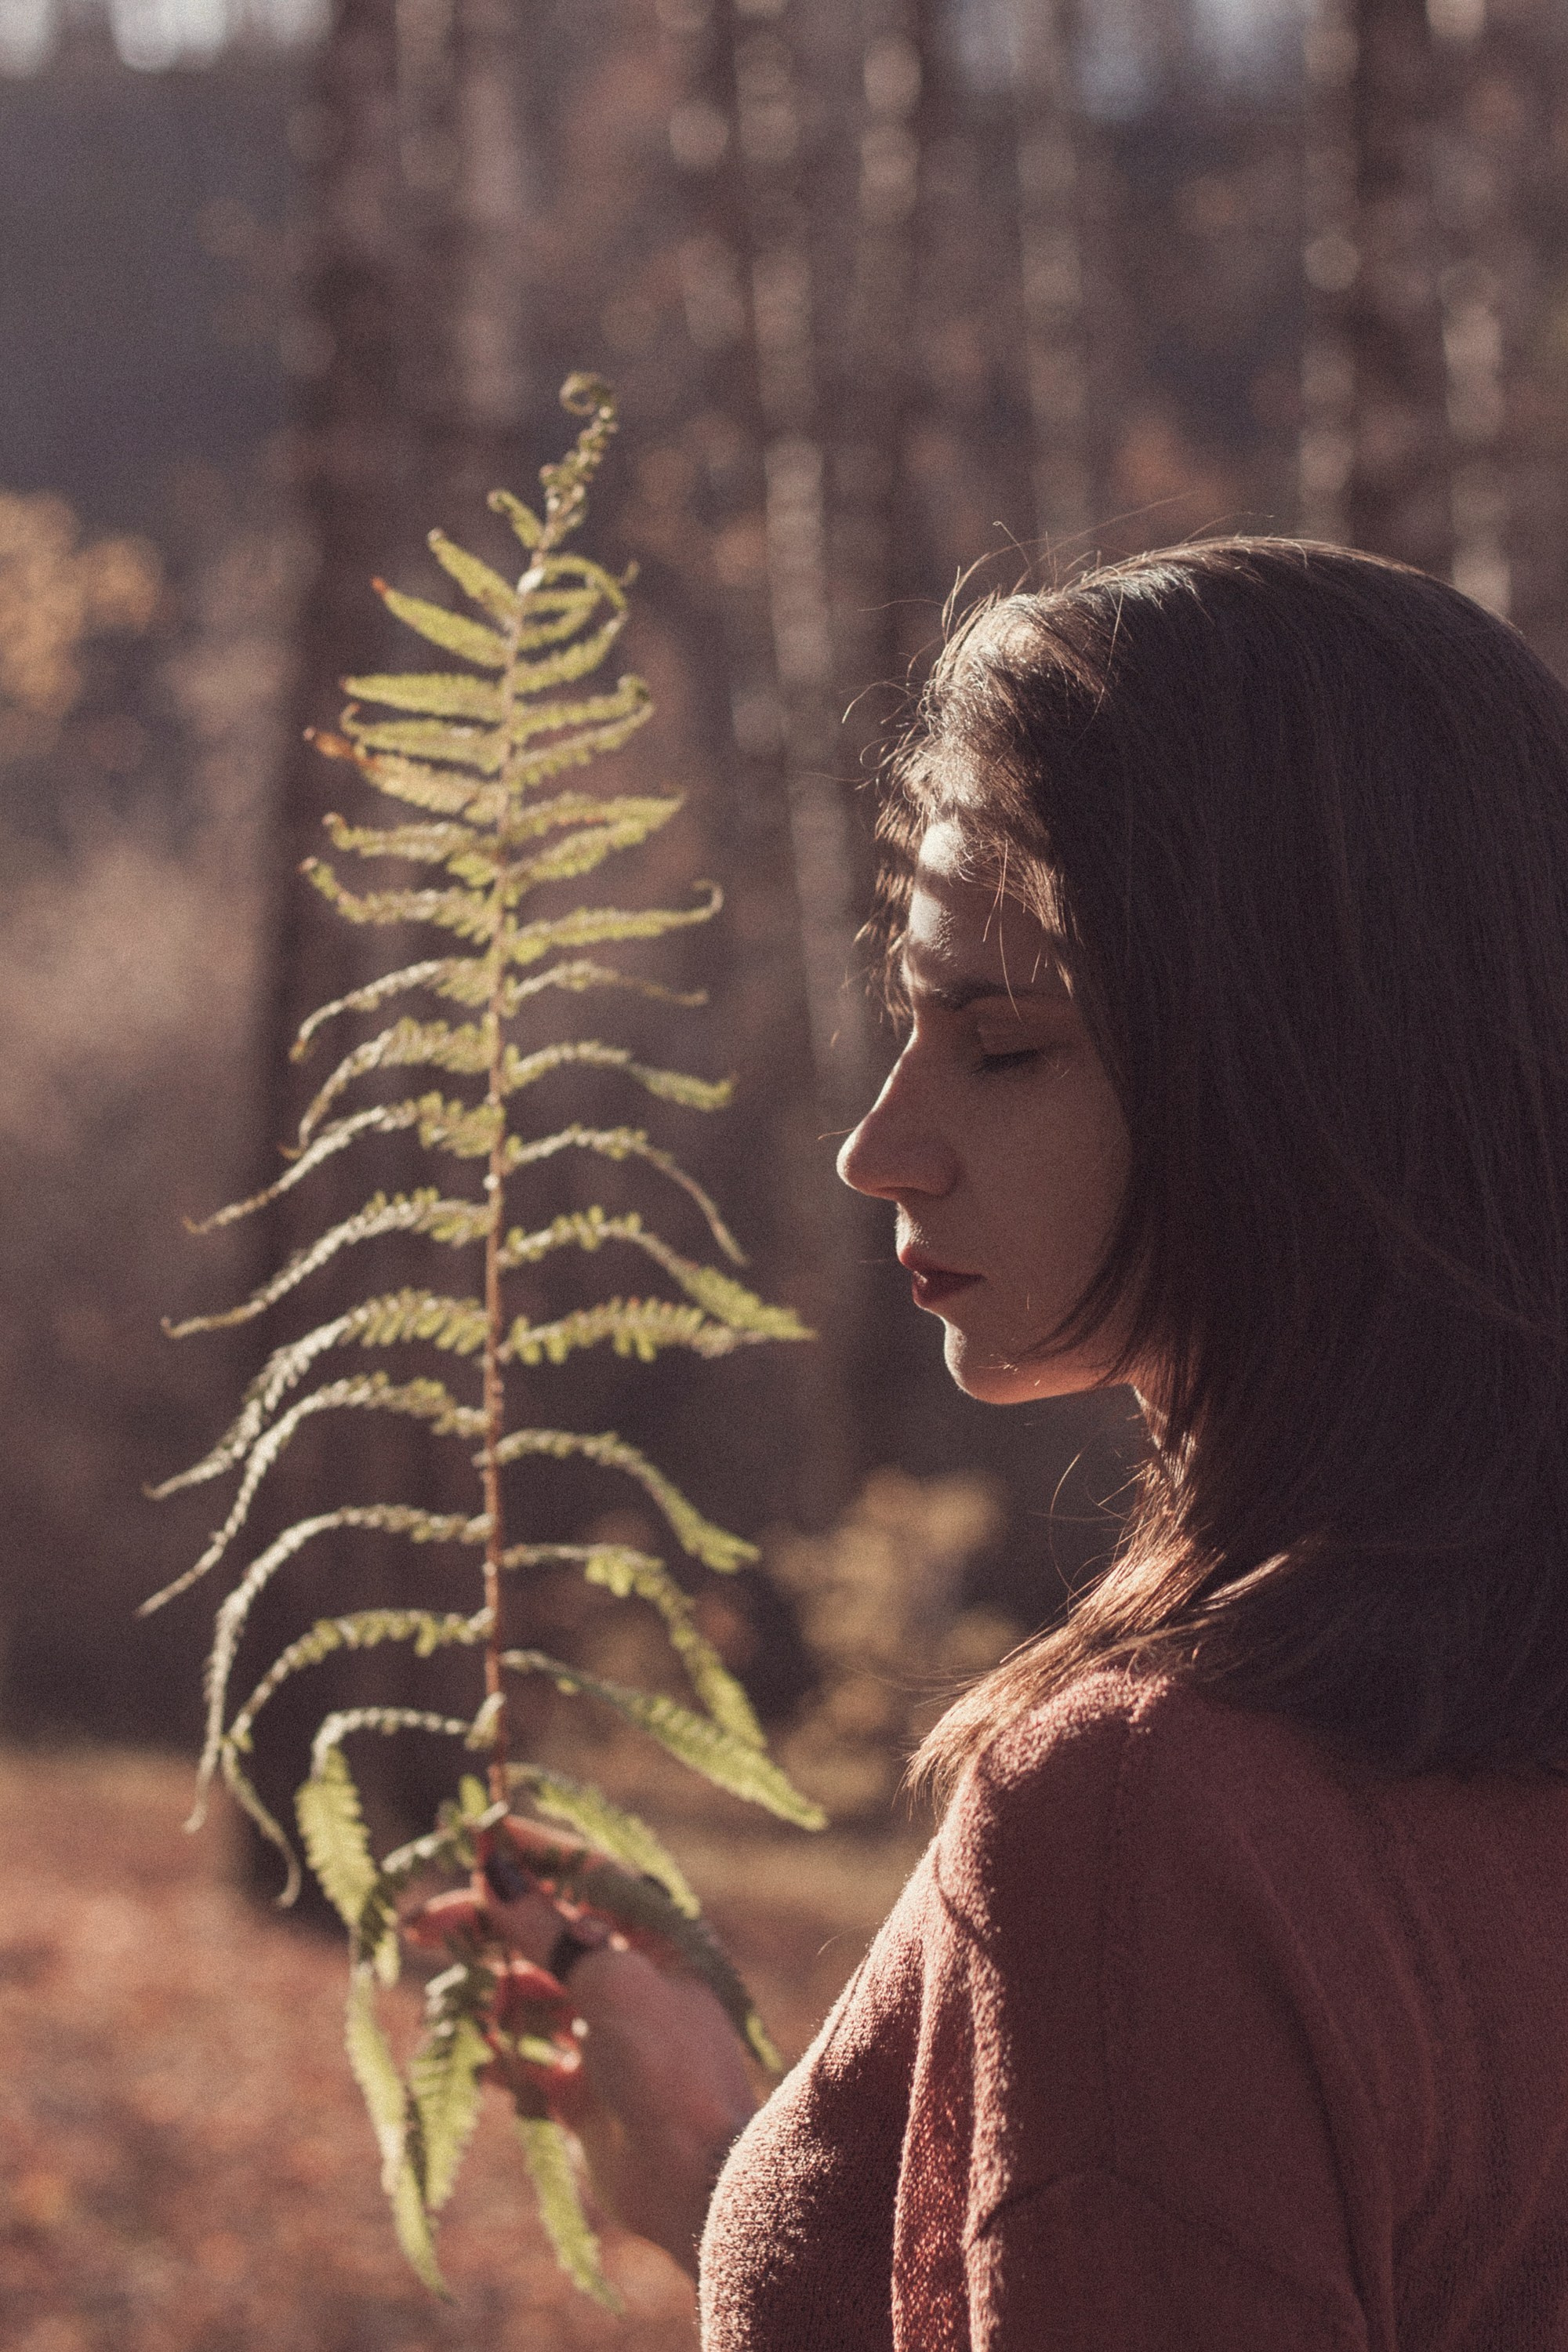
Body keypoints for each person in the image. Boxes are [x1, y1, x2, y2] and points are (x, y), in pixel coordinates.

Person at [469, 539, 1568, 2345]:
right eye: (911, 1026)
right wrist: (733, 2167)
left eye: (1002, 1047)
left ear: (1301, 1067)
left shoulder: (1157, 1824)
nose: (878, 1148)